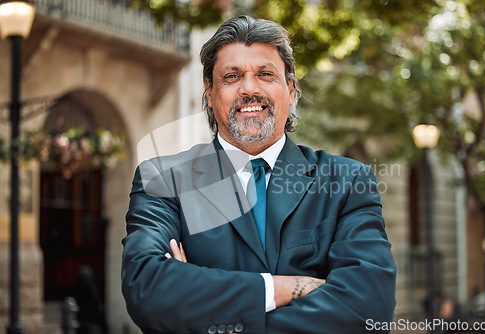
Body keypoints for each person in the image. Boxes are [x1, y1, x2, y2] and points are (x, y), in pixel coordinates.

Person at [122, 15, 397, 334]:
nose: (249, 88)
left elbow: (368, 308)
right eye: (232, 76)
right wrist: (285, 288)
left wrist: (199, 303)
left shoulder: (348, 181)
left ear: (291, 90)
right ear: (209, 95)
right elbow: (148, 287)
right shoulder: (163, 179)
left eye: (266, 74)